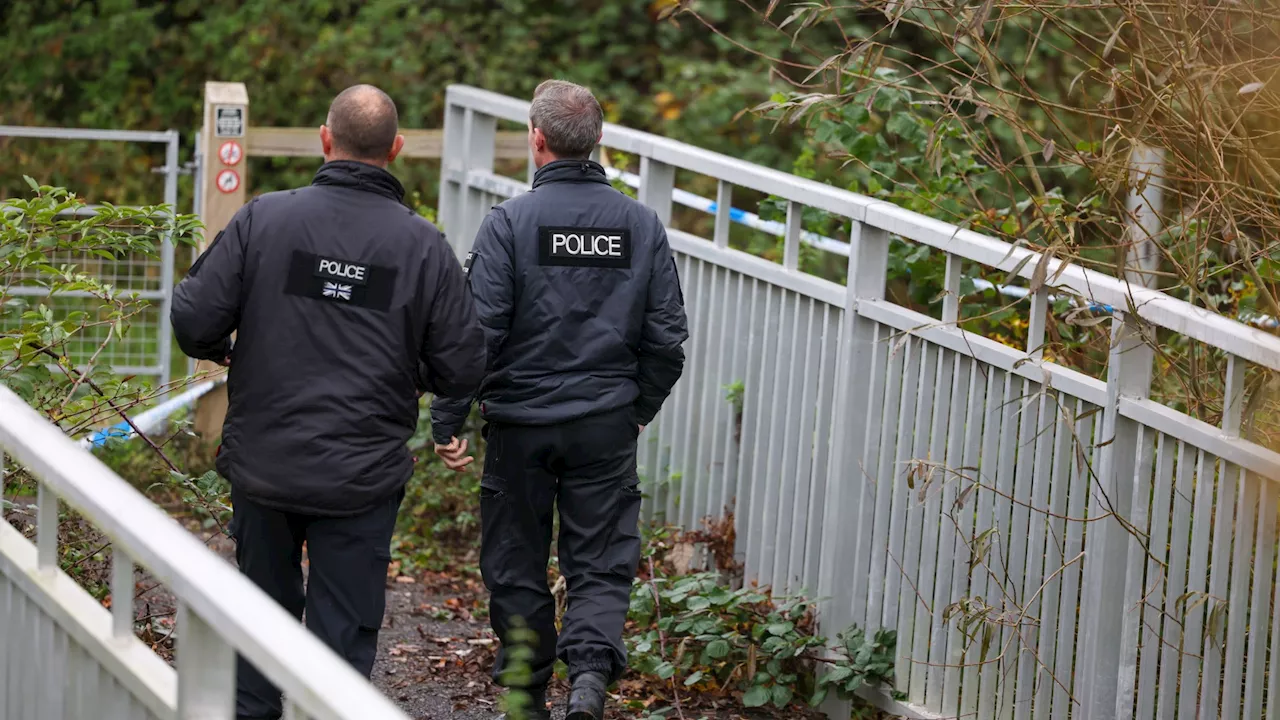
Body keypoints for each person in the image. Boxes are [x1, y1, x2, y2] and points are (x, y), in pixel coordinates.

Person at [171, 84, 486, 720]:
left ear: (325, 139)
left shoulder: (266, 218)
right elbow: (464, 365)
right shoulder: (422, 246)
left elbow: (193, 314)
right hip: (362, 475)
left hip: (265, 461)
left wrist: (225, 348)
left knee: (259, 608)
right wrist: (411, 371)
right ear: (396, 149)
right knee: (344, 630)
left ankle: (250, 709)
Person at [431, 79, 689, 720]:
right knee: (600, 561)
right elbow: (667, 340)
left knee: (517, 558)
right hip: (604, 423)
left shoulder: (509, 225)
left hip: (519, 427)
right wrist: (635, 411)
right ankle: (588, 686)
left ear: (537, 140)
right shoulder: (641, 226)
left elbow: (477, 334)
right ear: (598, 140)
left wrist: (447, 418)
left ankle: (525, 691)